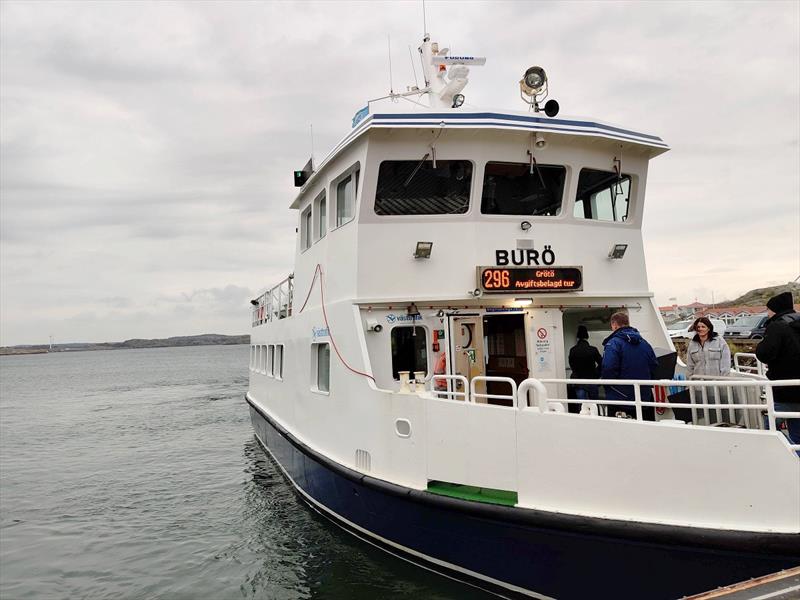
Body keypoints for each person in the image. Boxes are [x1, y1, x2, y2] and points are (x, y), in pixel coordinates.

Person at [755, 291, 800, 450]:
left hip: (785, 390)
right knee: (797, 433)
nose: (767, 314)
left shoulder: (777, 326)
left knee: (771, 428)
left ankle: (788, 458)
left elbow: (764, 353)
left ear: (774, 309)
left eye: (768, 310)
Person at [601, 311, 659, 420]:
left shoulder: (614, 343)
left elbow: (608, 367)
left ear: (614, 325)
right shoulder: (644, 343)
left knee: (619, 433)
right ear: (628, 323)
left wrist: (608, 385)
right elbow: (654, 365)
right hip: (644, 397)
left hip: (619, 398)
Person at [567, 325, 602, 413]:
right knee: (594, 404)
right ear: (587, 336)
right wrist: (596, 373)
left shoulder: (573, 350)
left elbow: (571, 365)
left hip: (579, 381)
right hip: (592, 380)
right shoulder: (593, 349)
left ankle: (582, 420)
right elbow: (602, 363)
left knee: (582, 405)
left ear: (577, 337)